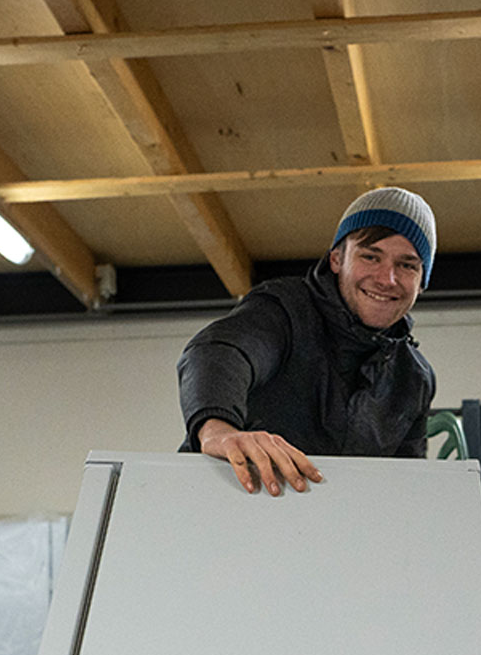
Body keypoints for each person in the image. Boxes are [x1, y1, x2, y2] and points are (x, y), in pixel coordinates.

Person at [178, 187, 439, 495]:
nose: (387, 279)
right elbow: (221, 351)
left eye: (407, 265)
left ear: (422, 282)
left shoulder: (414, 379)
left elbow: (406, 486)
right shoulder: (285, 311)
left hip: (332, 534)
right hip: (227, 507)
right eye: (370, 256)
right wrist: (219, 430)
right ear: (337, 260)